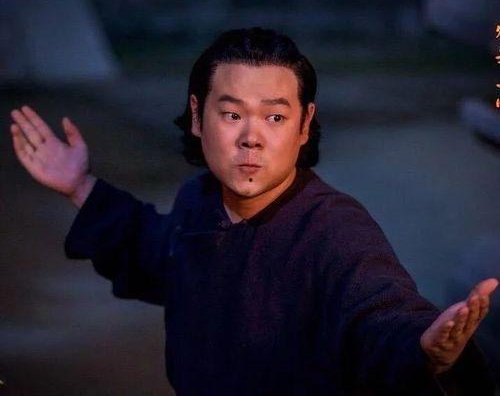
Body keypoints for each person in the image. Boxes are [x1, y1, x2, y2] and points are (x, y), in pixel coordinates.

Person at [10, 27, 498, 395]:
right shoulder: (199, 201)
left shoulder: (335, 230)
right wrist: (80, 185)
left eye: (275, 116)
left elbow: (379, 311)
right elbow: (155, 251)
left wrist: (423, 348)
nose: (251, 137)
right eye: (232, 114)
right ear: (198, 116)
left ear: (304, 125)